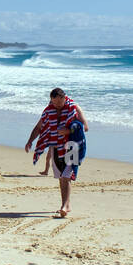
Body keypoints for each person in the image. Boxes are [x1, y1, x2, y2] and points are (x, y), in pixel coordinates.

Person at [24, 87, 89, 218]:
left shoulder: (74, 108)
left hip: (72, 146)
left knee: (67, 176)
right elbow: (38, 127)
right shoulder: (49, 111)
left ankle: (64, 206)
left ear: (64, 98)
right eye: (54, 103)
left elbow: (85, 127)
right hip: (56, 147)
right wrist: (30, 141)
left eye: (60, 103)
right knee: (61, 177)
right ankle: (66, 204)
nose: (57, 106)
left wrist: (69, 130)